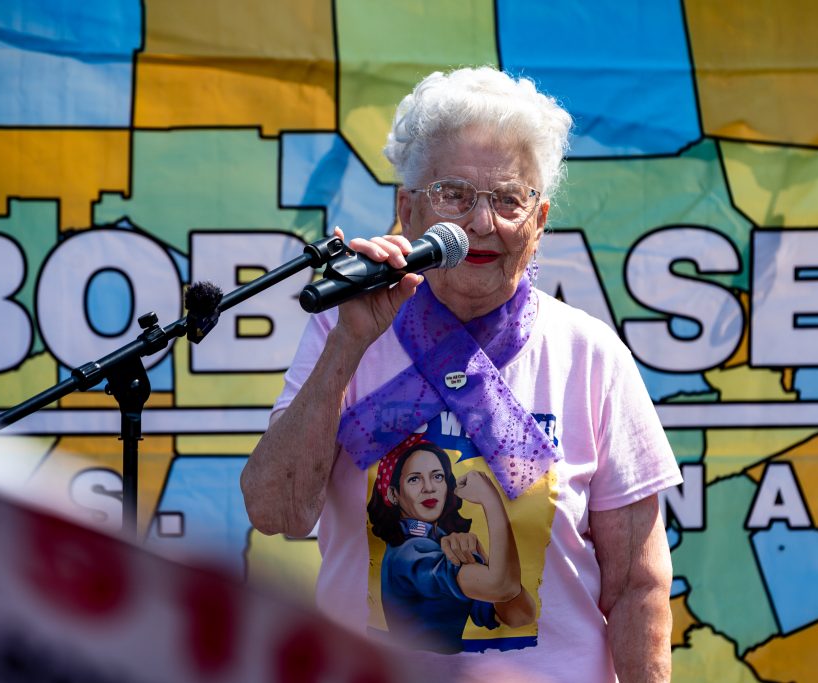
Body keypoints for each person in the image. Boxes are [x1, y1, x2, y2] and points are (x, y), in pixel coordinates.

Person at [241, 66, 682, 682]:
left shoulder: (590, 355)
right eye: (454, 194)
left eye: (509, 200)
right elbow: (276, 512)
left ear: (541, 220)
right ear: (407, 208)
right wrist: (349, 343)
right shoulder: (343, 333)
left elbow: (638, 586)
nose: (481, 223)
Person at [368, 438, 534, 654]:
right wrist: (491, 500)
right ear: (393, 494)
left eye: (437, 477)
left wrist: (481, 560)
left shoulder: (441, 542)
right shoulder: (409, 551)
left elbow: (521, 616)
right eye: (414, 479)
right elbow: (502, 587)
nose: (429, 488)